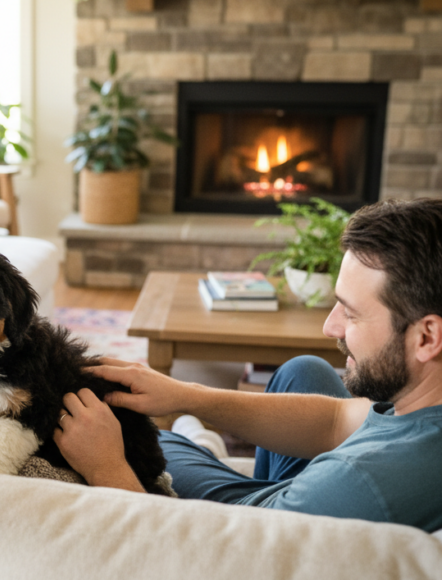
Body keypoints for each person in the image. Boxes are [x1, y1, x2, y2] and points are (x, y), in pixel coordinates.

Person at [54, 198, 442, 533]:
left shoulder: (362, 482)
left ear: (426, 337)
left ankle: (201, 442)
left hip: (240, 533)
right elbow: (337, 420)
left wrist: (107, 468)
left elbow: (188, 557)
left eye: (352, 314)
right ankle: (200, 436)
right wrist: (186, 396)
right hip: (301, 503)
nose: (330, 326)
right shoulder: (421, 407)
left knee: (159, 443)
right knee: (304, 371)